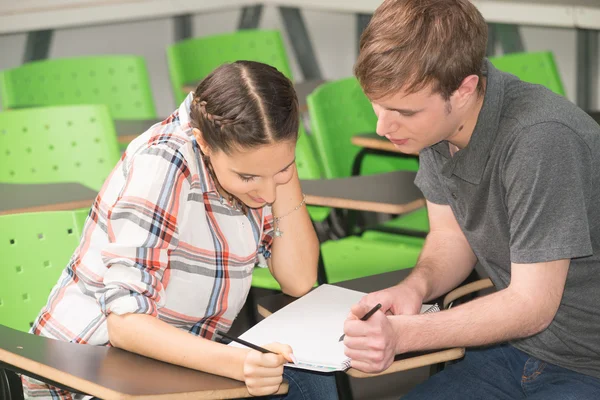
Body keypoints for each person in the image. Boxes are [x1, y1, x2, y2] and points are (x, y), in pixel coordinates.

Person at [22, 60, 338, 400]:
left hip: (174, 359)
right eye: (247, 177)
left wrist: (280, 171)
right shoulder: (162, 165)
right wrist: (239, 363)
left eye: (283, 168)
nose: (266, 195)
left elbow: (299, 278)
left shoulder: (256, 160)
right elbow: (125, 323)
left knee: (311, 376)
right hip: (91, 370)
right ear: (203, 142)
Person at [342, 0, 600, 398]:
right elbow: (450, 239)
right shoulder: (435, 126)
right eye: (377, 104)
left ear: (463, 89)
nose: (383, 125)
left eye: (403, 112)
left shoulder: (541, 139)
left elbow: (532, 305)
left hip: (587, 364)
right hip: (514, 349)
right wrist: (415, 288)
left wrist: (404, 334)